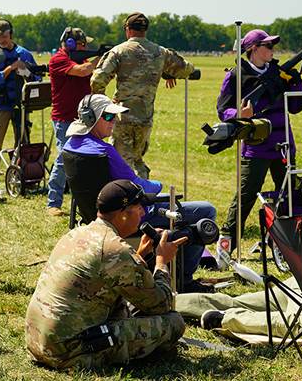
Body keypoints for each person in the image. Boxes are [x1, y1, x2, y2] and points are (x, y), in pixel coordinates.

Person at [63, 94, 217, 293]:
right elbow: (140, 188)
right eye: (108, 117)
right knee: (206, 211)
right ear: (91, 118)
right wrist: (158, 184)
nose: (113, 122)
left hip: (98, 217)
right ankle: (184, 281)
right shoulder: (105, 151)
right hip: (130, 215)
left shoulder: (69, 146)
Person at [26, 179, 187, 368]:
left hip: (38, 343)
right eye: (139, 208)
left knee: (126, 308)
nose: (143, 213)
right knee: (174, 323)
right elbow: (161, 304)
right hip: (70, 353)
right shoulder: (116, 250)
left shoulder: (77, 233)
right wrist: (162, 261)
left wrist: (140, 256)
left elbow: (109, 277)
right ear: (123, 215)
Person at [215, 29, 302, 260]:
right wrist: (239, 113)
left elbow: (296, 107)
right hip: (256, 145)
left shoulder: (280, 72)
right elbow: (222, 110)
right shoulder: (237, 75)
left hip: (283, 143)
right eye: (267, 46)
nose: (272, 50)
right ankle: (226, 247)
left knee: (288, 194)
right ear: (253, 49)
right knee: (245, 196)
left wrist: (296, 83)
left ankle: (286, 247)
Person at [90, 12, 196, 179]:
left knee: (121, 163)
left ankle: (126, 200)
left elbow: (98, 79)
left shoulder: (119, 51)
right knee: (138, 160)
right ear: (145, 30)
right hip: (145, 118)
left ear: (127, 30)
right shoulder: (160, 52)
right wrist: (168, 73)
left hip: (121, 116)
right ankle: (144, 196)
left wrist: (103, 104)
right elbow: (186, 68)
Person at [45, 27, 97, 216]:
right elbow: (83, 72)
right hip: (64, 117)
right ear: (71, 44)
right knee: (63, 158)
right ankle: (53, 203)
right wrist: (100, 57)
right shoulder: (59, 59)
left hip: (84, 115)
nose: (86, 48)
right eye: (84, 44)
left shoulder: (81, 59)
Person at [0, 19, 38, 185]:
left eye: (3, 36)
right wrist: (9, 69)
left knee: (24, 143)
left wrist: (25, 71)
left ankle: (23, 179)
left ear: (10, 34)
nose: (1, 40)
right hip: (0, 105)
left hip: (22, 105)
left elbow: (36, 78)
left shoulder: (25, 54)